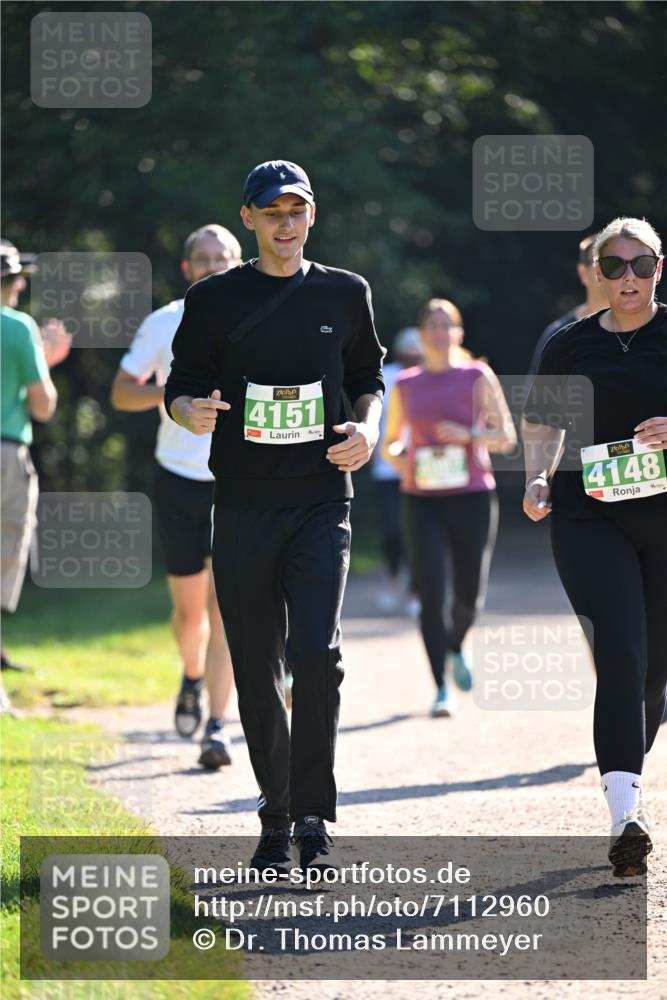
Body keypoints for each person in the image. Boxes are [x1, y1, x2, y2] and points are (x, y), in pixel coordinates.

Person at [164, 160, 385, 874]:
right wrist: (186, 409)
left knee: (315, 656)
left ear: (311, 217)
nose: (286, 224)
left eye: (297, 212)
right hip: (245, 507)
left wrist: (369, 428)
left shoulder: (345, 293)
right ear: (248, 218)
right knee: (257, 672)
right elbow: (183, 382)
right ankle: (274, 813)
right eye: (272, 212)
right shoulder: (214, 299)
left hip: (322, 502)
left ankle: (313, 817)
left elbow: (366, 381)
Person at [522, 216, 666, 877]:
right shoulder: (570, 345)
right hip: (589, 517)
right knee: (620, 653)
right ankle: (623, 814)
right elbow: (541, 423)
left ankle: (624, 783)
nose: (627, 277)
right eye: (614, 266)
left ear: (658, 270)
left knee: (653, 670)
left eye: (640, 265)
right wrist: (534, 476)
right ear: (596, 274)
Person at [111, 225, 241, 770]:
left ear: (238, 263)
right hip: (179, 481)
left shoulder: (258, 317)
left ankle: (217, 725)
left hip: (238, 480)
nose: (212, 266)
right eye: (202, 259)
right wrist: (174, 397)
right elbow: (120, 392)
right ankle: (191, 676)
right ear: (187, 269)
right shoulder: (166, 321)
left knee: (227, 609)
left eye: (222, 258)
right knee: (190, 616)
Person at [382, 299, 516, 717]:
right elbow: (389, 443)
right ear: (422, 334)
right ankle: (440, 685)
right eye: (432, 325)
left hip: (472, 494)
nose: (439, 332)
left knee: (468, 596)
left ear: (458, 333)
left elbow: (506, 437)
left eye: (447, 325)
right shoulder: (406, 382)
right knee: (430, 591)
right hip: (421, 498)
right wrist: (403, 459)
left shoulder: (477, 375)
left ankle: (457, 644)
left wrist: (468, 433)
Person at [1, 240, 71, 693]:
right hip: (5, 454)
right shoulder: (18, 327)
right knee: (4, 549)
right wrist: (42, 362)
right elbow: (43, 405)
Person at [370, 327, 422, 615]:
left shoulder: (429, 379)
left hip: (423, 467)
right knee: (392, 528)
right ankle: (392, 577)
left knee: (418, 530)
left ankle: (417, 589)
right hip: (388, 467)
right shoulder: (387, 376)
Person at [527, 234, 609, 378]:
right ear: (583, 273)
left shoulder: (649, 332)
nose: (611, 271)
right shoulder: (557, 336)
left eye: (618, 264)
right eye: (601, 263)